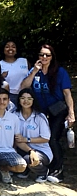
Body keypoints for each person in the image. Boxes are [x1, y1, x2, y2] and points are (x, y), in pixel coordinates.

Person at [20, 44, 74, 182]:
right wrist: (34, 71)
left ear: (52, 57)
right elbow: (24, 87)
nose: (44, 57)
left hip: (57, 110)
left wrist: (71, 113)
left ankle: (58, 171)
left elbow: (67, 93)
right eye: (41, 54)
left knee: (53, 138)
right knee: (36, 137)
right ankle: (37, 166)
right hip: (40, 112)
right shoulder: (35, 71)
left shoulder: (60, 72)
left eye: (47, 55)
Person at [14, 88, 52, 183]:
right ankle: (26, 170)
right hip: (23, 148)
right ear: (19, 100)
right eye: (23, 98)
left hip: (42, 151)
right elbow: (17, 139)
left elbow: (45, 138)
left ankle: (43, 172)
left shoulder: (40, 117)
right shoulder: (14, 115)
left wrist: (27, 139)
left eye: (29, 98)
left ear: (33, 100)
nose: (26, 101)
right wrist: (30, 150)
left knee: (28, 159)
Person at [0, 40, 29, 106]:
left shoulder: (24, 61)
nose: (10, 49)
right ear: (3, 50)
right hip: (9, 95)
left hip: (26, 94)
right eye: (7, 47)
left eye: (13, 47)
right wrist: (1, 77)